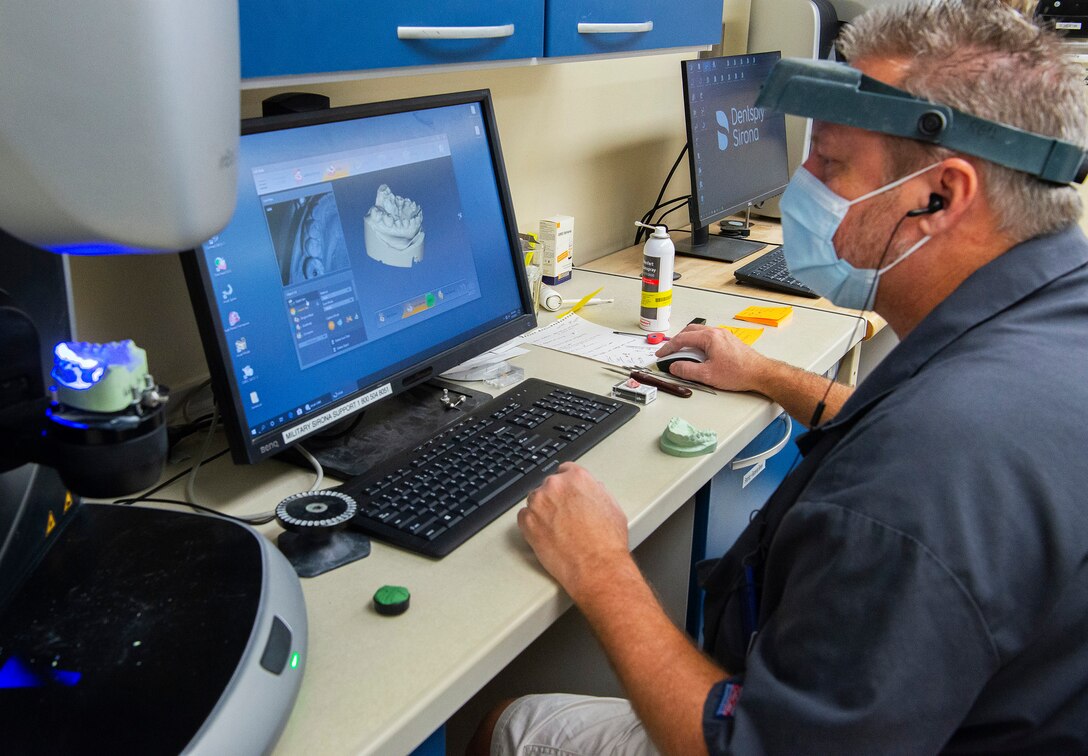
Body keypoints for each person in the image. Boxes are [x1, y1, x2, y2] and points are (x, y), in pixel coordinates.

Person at [469, 0, 1088, 753]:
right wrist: (764, 371)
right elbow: (911, 425)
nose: (804, 183)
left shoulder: (933, 467)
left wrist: (599, 567)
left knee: (512, 723)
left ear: (941, 197)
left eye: (829, 162)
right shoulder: (1050, 317)